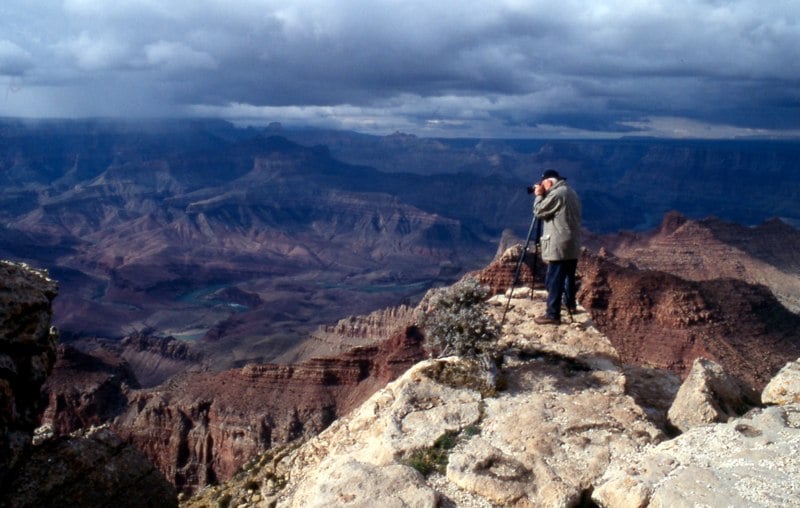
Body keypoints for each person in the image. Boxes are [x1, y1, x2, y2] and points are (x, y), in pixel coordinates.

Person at [532, 169, 581, 325]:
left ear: (549, 182)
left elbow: (539, 211)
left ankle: (552, 314)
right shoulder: (570, 191)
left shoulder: (557, 194)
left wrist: (539, 195)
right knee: (568, 276)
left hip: (559, 243)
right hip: (572, 243)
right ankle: (570, 305)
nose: (542, 186)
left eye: (543, 184)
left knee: (554, 279)